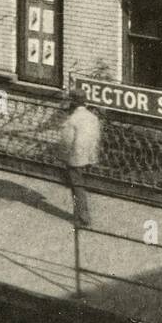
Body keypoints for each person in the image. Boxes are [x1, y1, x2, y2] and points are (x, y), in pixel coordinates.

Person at [61, 89, 102, 228]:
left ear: (72, 103)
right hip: (89, 155)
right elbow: (96, 137)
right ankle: (81, 215)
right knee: (81, 184)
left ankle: (82, 217)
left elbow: (67, 141)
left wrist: (63, 155)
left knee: (76, 187)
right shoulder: (92, 117)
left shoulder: (72, 120)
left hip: (75, 157)